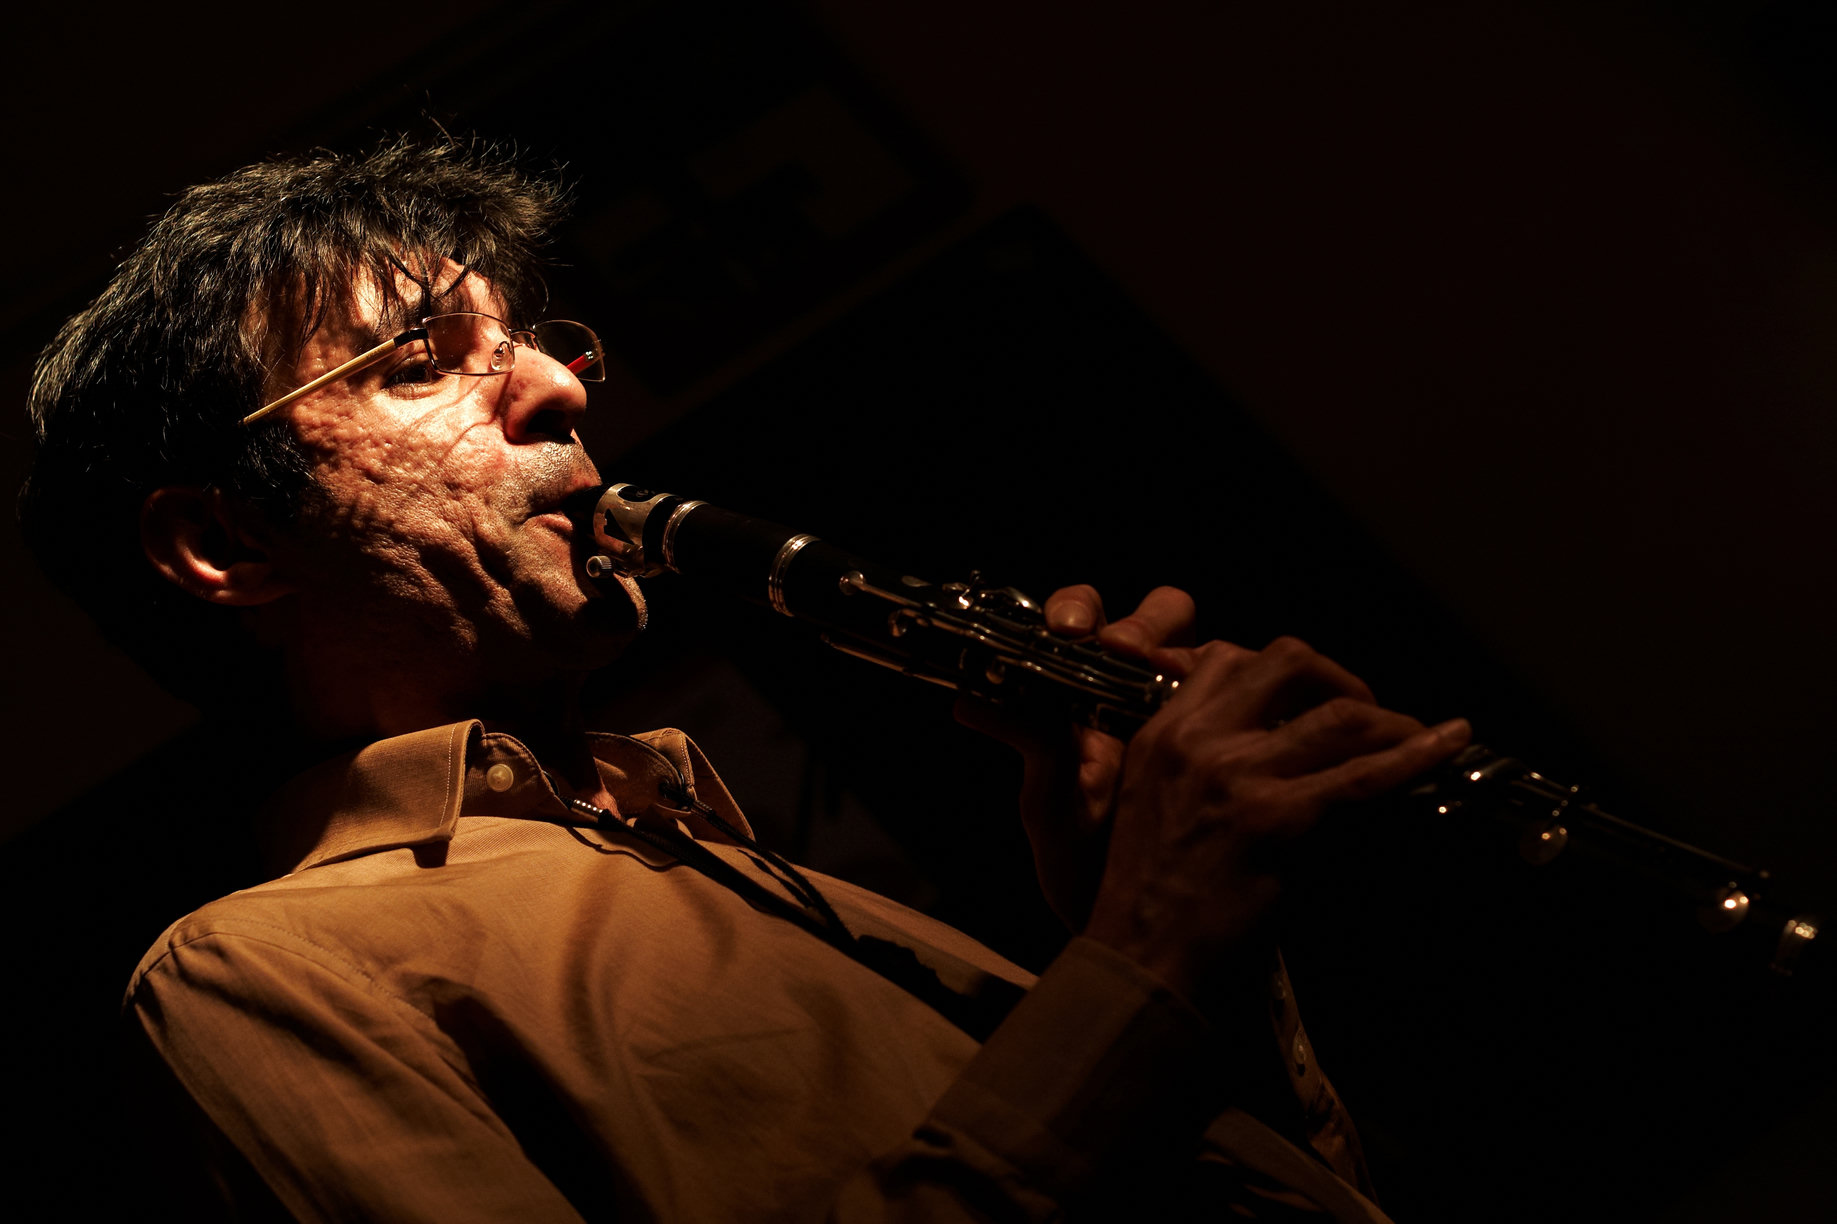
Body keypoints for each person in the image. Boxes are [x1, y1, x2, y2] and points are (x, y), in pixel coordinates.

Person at [20, 138, 1471, 1221]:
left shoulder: (716, 855)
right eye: (417, 363)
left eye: (533, 342)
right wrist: (1141, 962)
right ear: (226, 542)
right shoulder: (259, 974)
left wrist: (1180, 948)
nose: (561, 385)